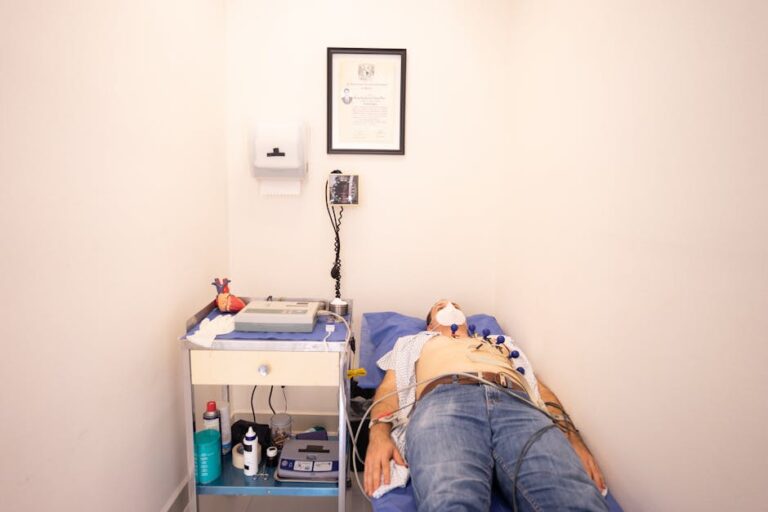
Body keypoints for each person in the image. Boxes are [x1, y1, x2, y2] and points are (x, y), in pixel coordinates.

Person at [363, 299, 608, 512]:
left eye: (455, 306)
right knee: (450, 502)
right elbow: (389, 387)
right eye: (440, 306)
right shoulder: (414, 342)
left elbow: (539, 389)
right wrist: (378, 433)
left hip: (517, 404)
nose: (449, 307)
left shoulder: (499, 343)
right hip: (444, 403)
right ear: (430, 325)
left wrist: (573, 438)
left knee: (575, 501)